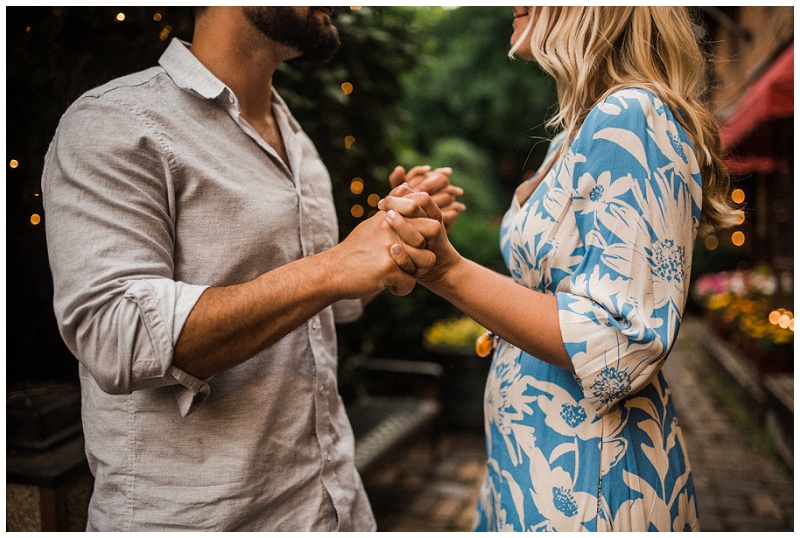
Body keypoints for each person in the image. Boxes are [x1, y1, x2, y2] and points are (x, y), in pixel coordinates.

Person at [41, 7, 462, 531]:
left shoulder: (299, 143)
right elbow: (114, 335)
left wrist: (393, 236)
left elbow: (338, 304)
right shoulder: (117, 121)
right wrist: (333, 267)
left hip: (334, 509)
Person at [380, 6, 742, 532]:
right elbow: (556, 296)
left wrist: (448, 271)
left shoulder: (633, 115)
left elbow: (623, 342)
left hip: (589, 481)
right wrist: (433, 239)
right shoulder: (573, 135)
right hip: (533, 458)